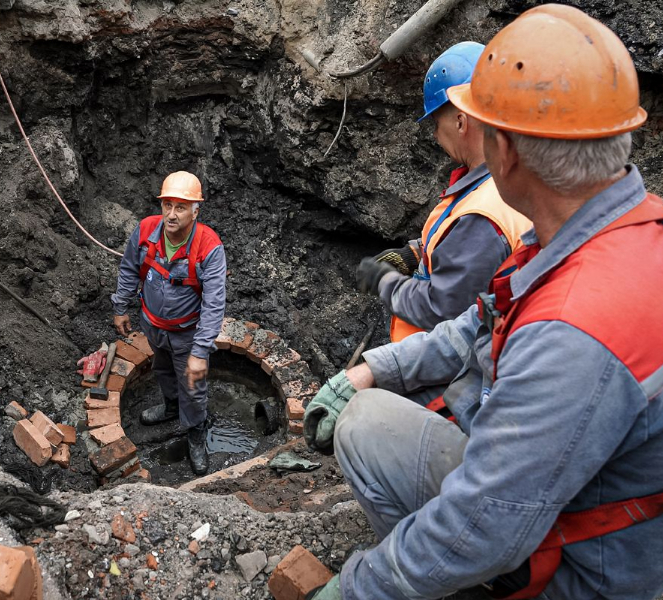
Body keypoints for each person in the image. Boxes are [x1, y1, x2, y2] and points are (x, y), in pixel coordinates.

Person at [305, 5, 663, 599]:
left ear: (506, 152)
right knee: (366, 419)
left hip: (590, 567)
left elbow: (485, 523)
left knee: (426, 512)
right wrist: (375, 368)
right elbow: (472, 322)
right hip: (570, 492)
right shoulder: (589, 233)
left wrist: (358, 588)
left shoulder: (574, 332)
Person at [356, 42, 530, 343]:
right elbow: (459, 248)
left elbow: (440, 308)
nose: (436, 136)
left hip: (443, 375)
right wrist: (415, 254)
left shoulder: (485, 212)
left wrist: (386, 283)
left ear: (460, 121)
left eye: (436, 123)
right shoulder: (504, 178)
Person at [112, 171, 226, 475]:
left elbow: (214, 303)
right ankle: (172, 408)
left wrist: (200, 351)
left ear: (195, 210)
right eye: (167, 205)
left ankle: (195, 430)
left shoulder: (208, 247)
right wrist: (121, 307)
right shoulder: (146, 231)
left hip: (187, 333)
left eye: (180, 207)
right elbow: (128, 269)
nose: (171, 214)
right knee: (162, 369)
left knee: (193, 385)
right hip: (153, 324)